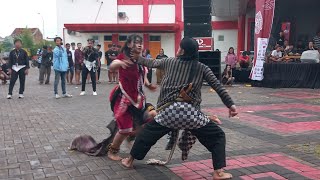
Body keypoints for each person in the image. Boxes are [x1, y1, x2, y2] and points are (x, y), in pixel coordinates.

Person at [118, 37, 237, 180]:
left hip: (168, 112)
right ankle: (218, 172)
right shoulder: (202, 67)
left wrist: (138, 57)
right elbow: (218, 87)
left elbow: (151, 62)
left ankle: (129, 161)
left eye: (179, 47)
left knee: (147, 134)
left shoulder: (169, 61)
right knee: (217, 136)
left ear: (182, 50)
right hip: (191, 115)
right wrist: (231, 105)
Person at [107, 34, 157, 161]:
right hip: (123, 99)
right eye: (136, 42)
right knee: (124, 129)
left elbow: (143, 77)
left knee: (150, 119)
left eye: (141, 43)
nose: (140, 45)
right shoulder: (123, 57)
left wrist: (149, 85)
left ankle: (131, 135)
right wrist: (118, 62)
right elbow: (112, 67)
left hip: (138, 100)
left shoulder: (141, 60)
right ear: (129, 45)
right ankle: (112, 151)